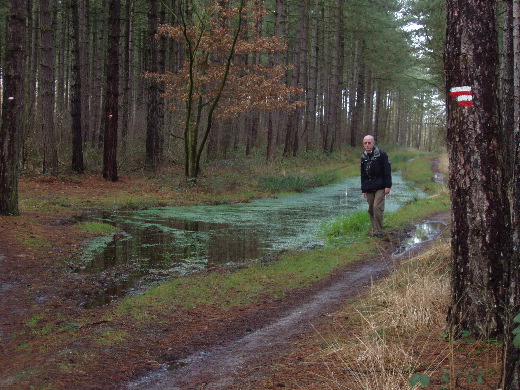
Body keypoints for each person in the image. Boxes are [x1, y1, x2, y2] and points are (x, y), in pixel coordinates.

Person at [360, 135, 392, 237]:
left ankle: (378, 232)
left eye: (369, 143)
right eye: (365, 143)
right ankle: (374, 230)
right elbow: (363, 174)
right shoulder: (363, 156)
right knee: (371, 209)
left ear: (374, 143)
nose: (367, 145)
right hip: (369, 186)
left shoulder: (382, 155)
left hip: (380, 185)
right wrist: (363, 189)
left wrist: (388, 185)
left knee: (377, 207)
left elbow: (387, 171)